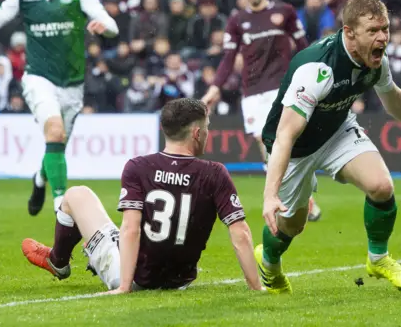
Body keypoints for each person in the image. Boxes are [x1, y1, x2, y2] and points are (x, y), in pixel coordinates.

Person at [256, 0, 401, 294]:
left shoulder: (376, 60)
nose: (382, 38)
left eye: (385, 29)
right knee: (292, 226)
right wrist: (269, 196)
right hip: (295, 148)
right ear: (349, 33)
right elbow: (286, 135)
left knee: (381, 186)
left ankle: (378, 258)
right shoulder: (317, 69)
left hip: (336, 130)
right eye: (373, 31)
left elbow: (392, 97)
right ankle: (268, 263)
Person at [21, 98, 263, 293]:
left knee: (76, 195)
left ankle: (58, 261)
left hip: (135, 277)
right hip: (180, 279)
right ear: (197, 133)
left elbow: (131, 229)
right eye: (208, 129)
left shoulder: (139, 166)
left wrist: (125, 286)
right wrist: (257, 287)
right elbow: (240, 234)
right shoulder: (215, 173)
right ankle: (90, 251)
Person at [0, 0, 119, 216]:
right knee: (54, 131)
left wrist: (103, 27)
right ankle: (61, 207)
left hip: (73, 84)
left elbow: (111, 24)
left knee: (57, 145)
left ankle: (40, 178)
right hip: (38, 77)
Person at [200, 0, 323, 221]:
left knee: (286, 142)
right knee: (268, 147)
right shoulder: (237, 21)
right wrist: (215, 87)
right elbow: (228, 58)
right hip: (253, 92)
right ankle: (301, 197)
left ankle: (296, 194)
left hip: (283, 86)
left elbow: (302, 47)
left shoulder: (285, 12)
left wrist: (315, 73)